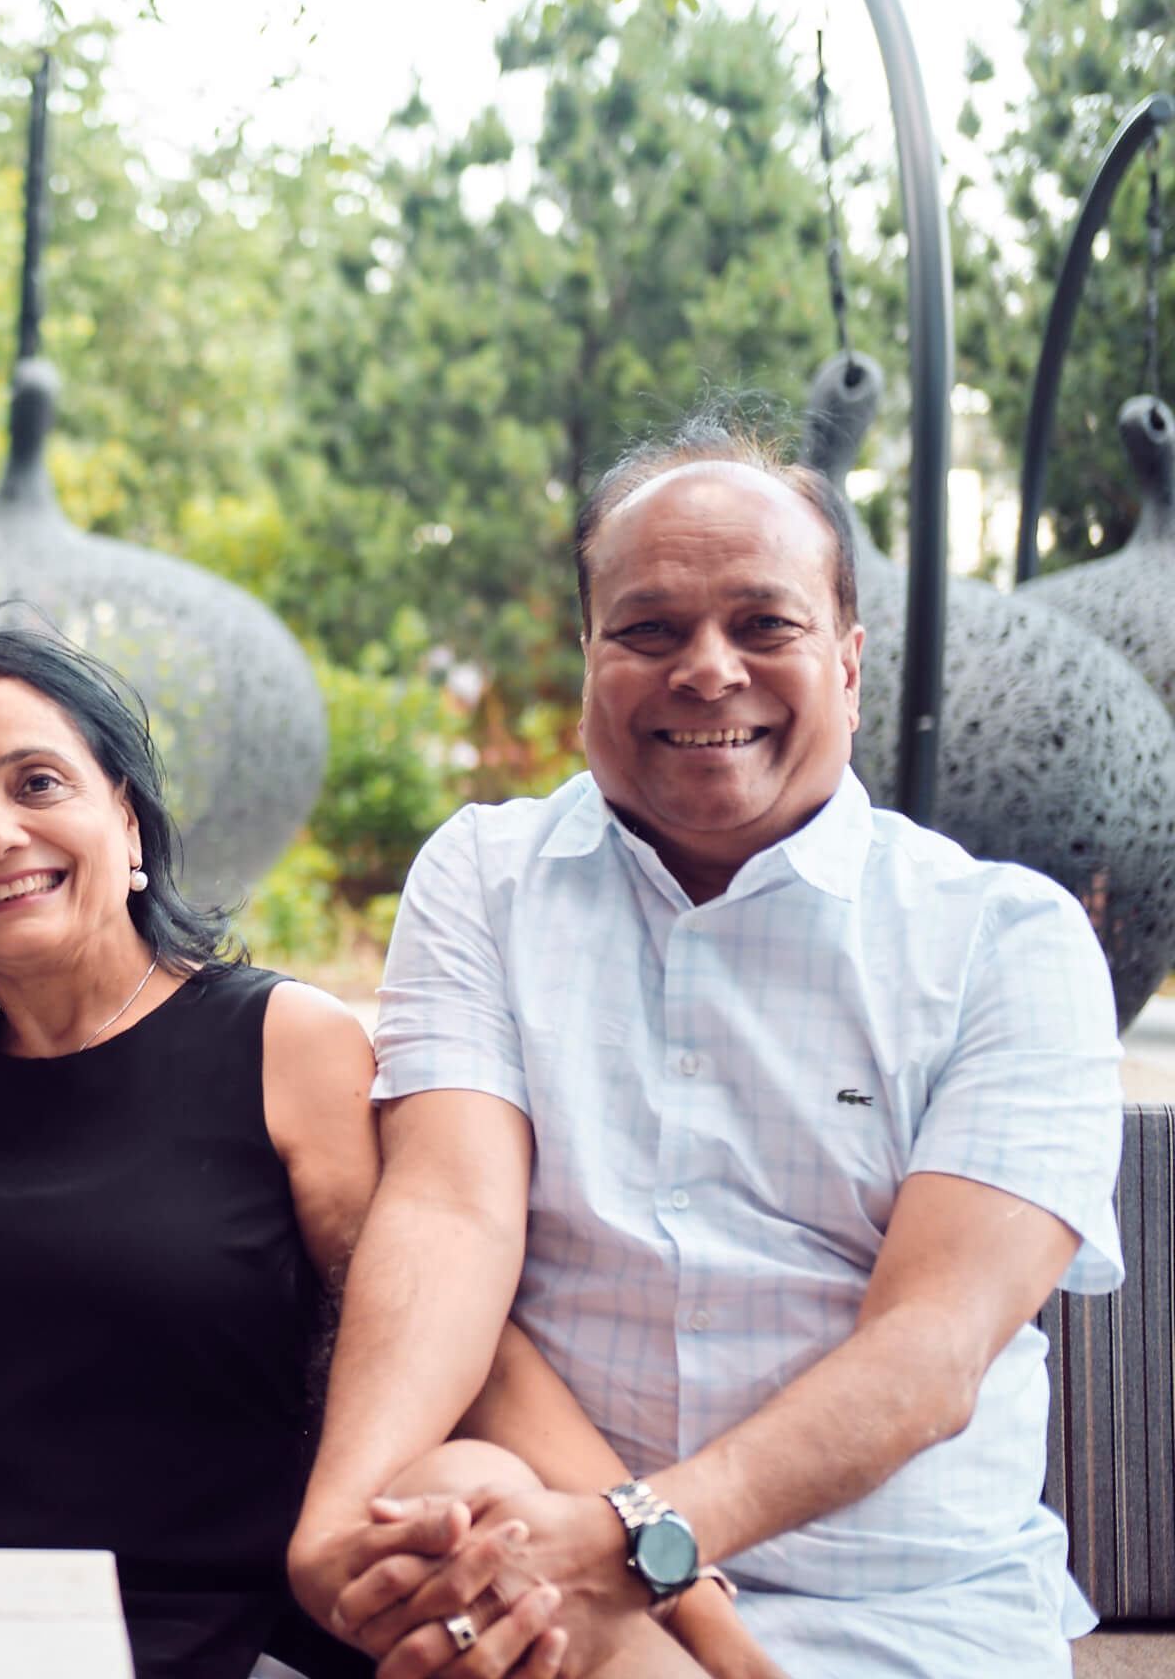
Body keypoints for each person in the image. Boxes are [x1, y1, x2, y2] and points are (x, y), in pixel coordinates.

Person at [293, 408, 1126, 1679]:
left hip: (913, 1604)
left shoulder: (1007, 941)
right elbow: (454, 1219)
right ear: (587, 659)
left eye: (764, 624)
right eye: (648, 630)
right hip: (560, 1584)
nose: (706, 670)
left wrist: (632, 1542)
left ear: (848, 663)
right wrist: (338, 1521)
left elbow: (930, 1354)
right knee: (453, 1508)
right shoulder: (486, 877)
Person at [0, 623, 714, 1679]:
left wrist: (665, 1565)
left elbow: (433, 1324)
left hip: (172, 1634)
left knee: (493, 1526)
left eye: (38, 783)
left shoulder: (284, 1048)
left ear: (128, 824)